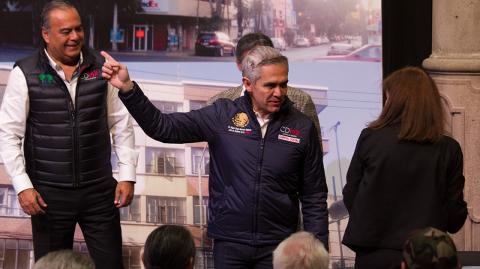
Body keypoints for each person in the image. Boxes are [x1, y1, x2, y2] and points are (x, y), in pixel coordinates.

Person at [102, 46, 329, 269]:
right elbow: (163, 127)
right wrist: (128, 89)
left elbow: (314, 196)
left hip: (279, 246)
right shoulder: (221, 115)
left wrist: (319, 255)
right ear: (248, 84)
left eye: (283, 84)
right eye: (270, 85)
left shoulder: (302, 127)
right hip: (229, 244)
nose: (279, 93)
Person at [0, 1, 137, 268]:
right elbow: (9, 134)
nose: (75, 36)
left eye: (79, 29)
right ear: (46, 35)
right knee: (52, 266)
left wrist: (127, 174)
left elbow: (121, 123)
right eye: (66, 31)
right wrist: (23, 185)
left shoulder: (101, 67)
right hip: (47, 197)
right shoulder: (25, 73)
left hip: (99, 192)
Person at [342, 66, 468, 269]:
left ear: (395, 101)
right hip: (427, 258)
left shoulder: (371, 138)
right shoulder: (448, 149)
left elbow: (351, 195)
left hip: (373, 255)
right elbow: (455, 217)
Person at [207, 32, 323, 153]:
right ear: (239, 65)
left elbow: (314, 156)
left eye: (265, 61)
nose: (260, 68)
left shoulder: (301, 101)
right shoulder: (217, 104)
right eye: (252, 63)